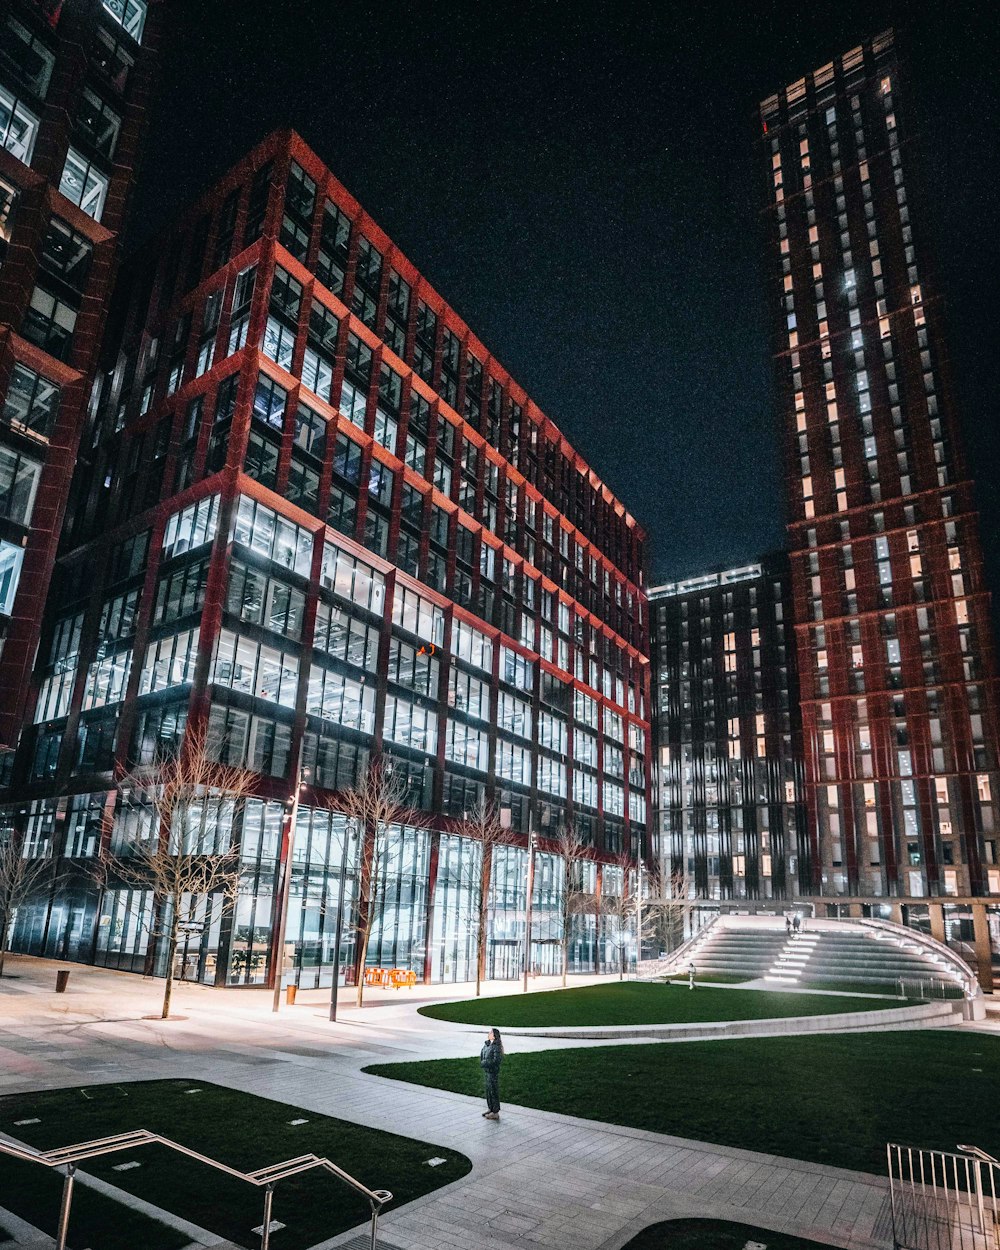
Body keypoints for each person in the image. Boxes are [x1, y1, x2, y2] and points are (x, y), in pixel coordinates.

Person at [480, 1027, 504, 1120]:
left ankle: (495, 1112)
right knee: (488, 1091)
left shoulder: (496, 1047)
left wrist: (485, 1063)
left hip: (492, 1072)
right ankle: (491, 1108)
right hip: (487, 1071)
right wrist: (483, 1062)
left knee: (493, 1091)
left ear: (494, 1036)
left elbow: (496, 1060)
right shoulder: (487, 1045)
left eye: (490, 1032)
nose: (488, 1033)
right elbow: (482, 1055)